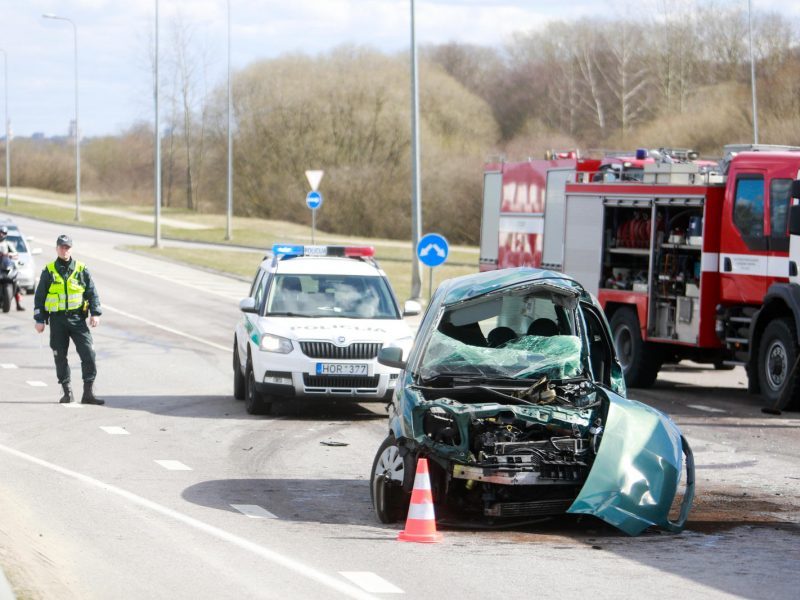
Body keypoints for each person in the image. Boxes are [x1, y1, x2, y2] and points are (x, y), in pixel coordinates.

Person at [33, 234, 104, 405]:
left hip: (78, 319)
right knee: (60, 356)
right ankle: (67, 392)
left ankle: (88, 394)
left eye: (67, 247)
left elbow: (92, 292)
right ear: (57, 248)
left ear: (71, 249)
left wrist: (95, 313)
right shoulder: (49, 270)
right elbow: (40, 297)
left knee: (89, 354)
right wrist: (39, 319)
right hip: (57, 321)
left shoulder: (81, 269)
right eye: (62, 247)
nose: (64, 250)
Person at [0, 225, 25, 311]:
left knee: (16, 283)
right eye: (0, 233)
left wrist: (9, 254)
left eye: (3, 233)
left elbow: (16, 254)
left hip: (5, 267)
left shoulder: (8, 244)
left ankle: (18, 304)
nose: (1, 235)